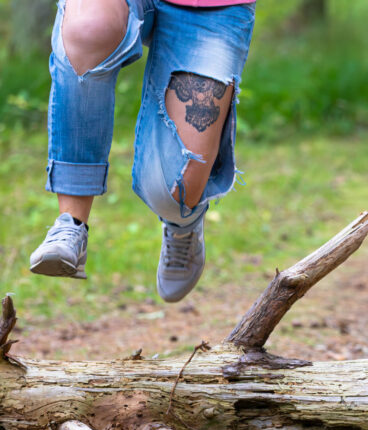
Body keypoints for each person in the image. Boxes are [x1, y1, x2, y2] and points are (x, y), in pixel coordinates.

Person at [29, 0, 256, 302]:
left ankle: (182, 224)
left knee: (177, 187)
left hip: (212, 7)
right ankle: (71, 224)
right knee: (89, 27)